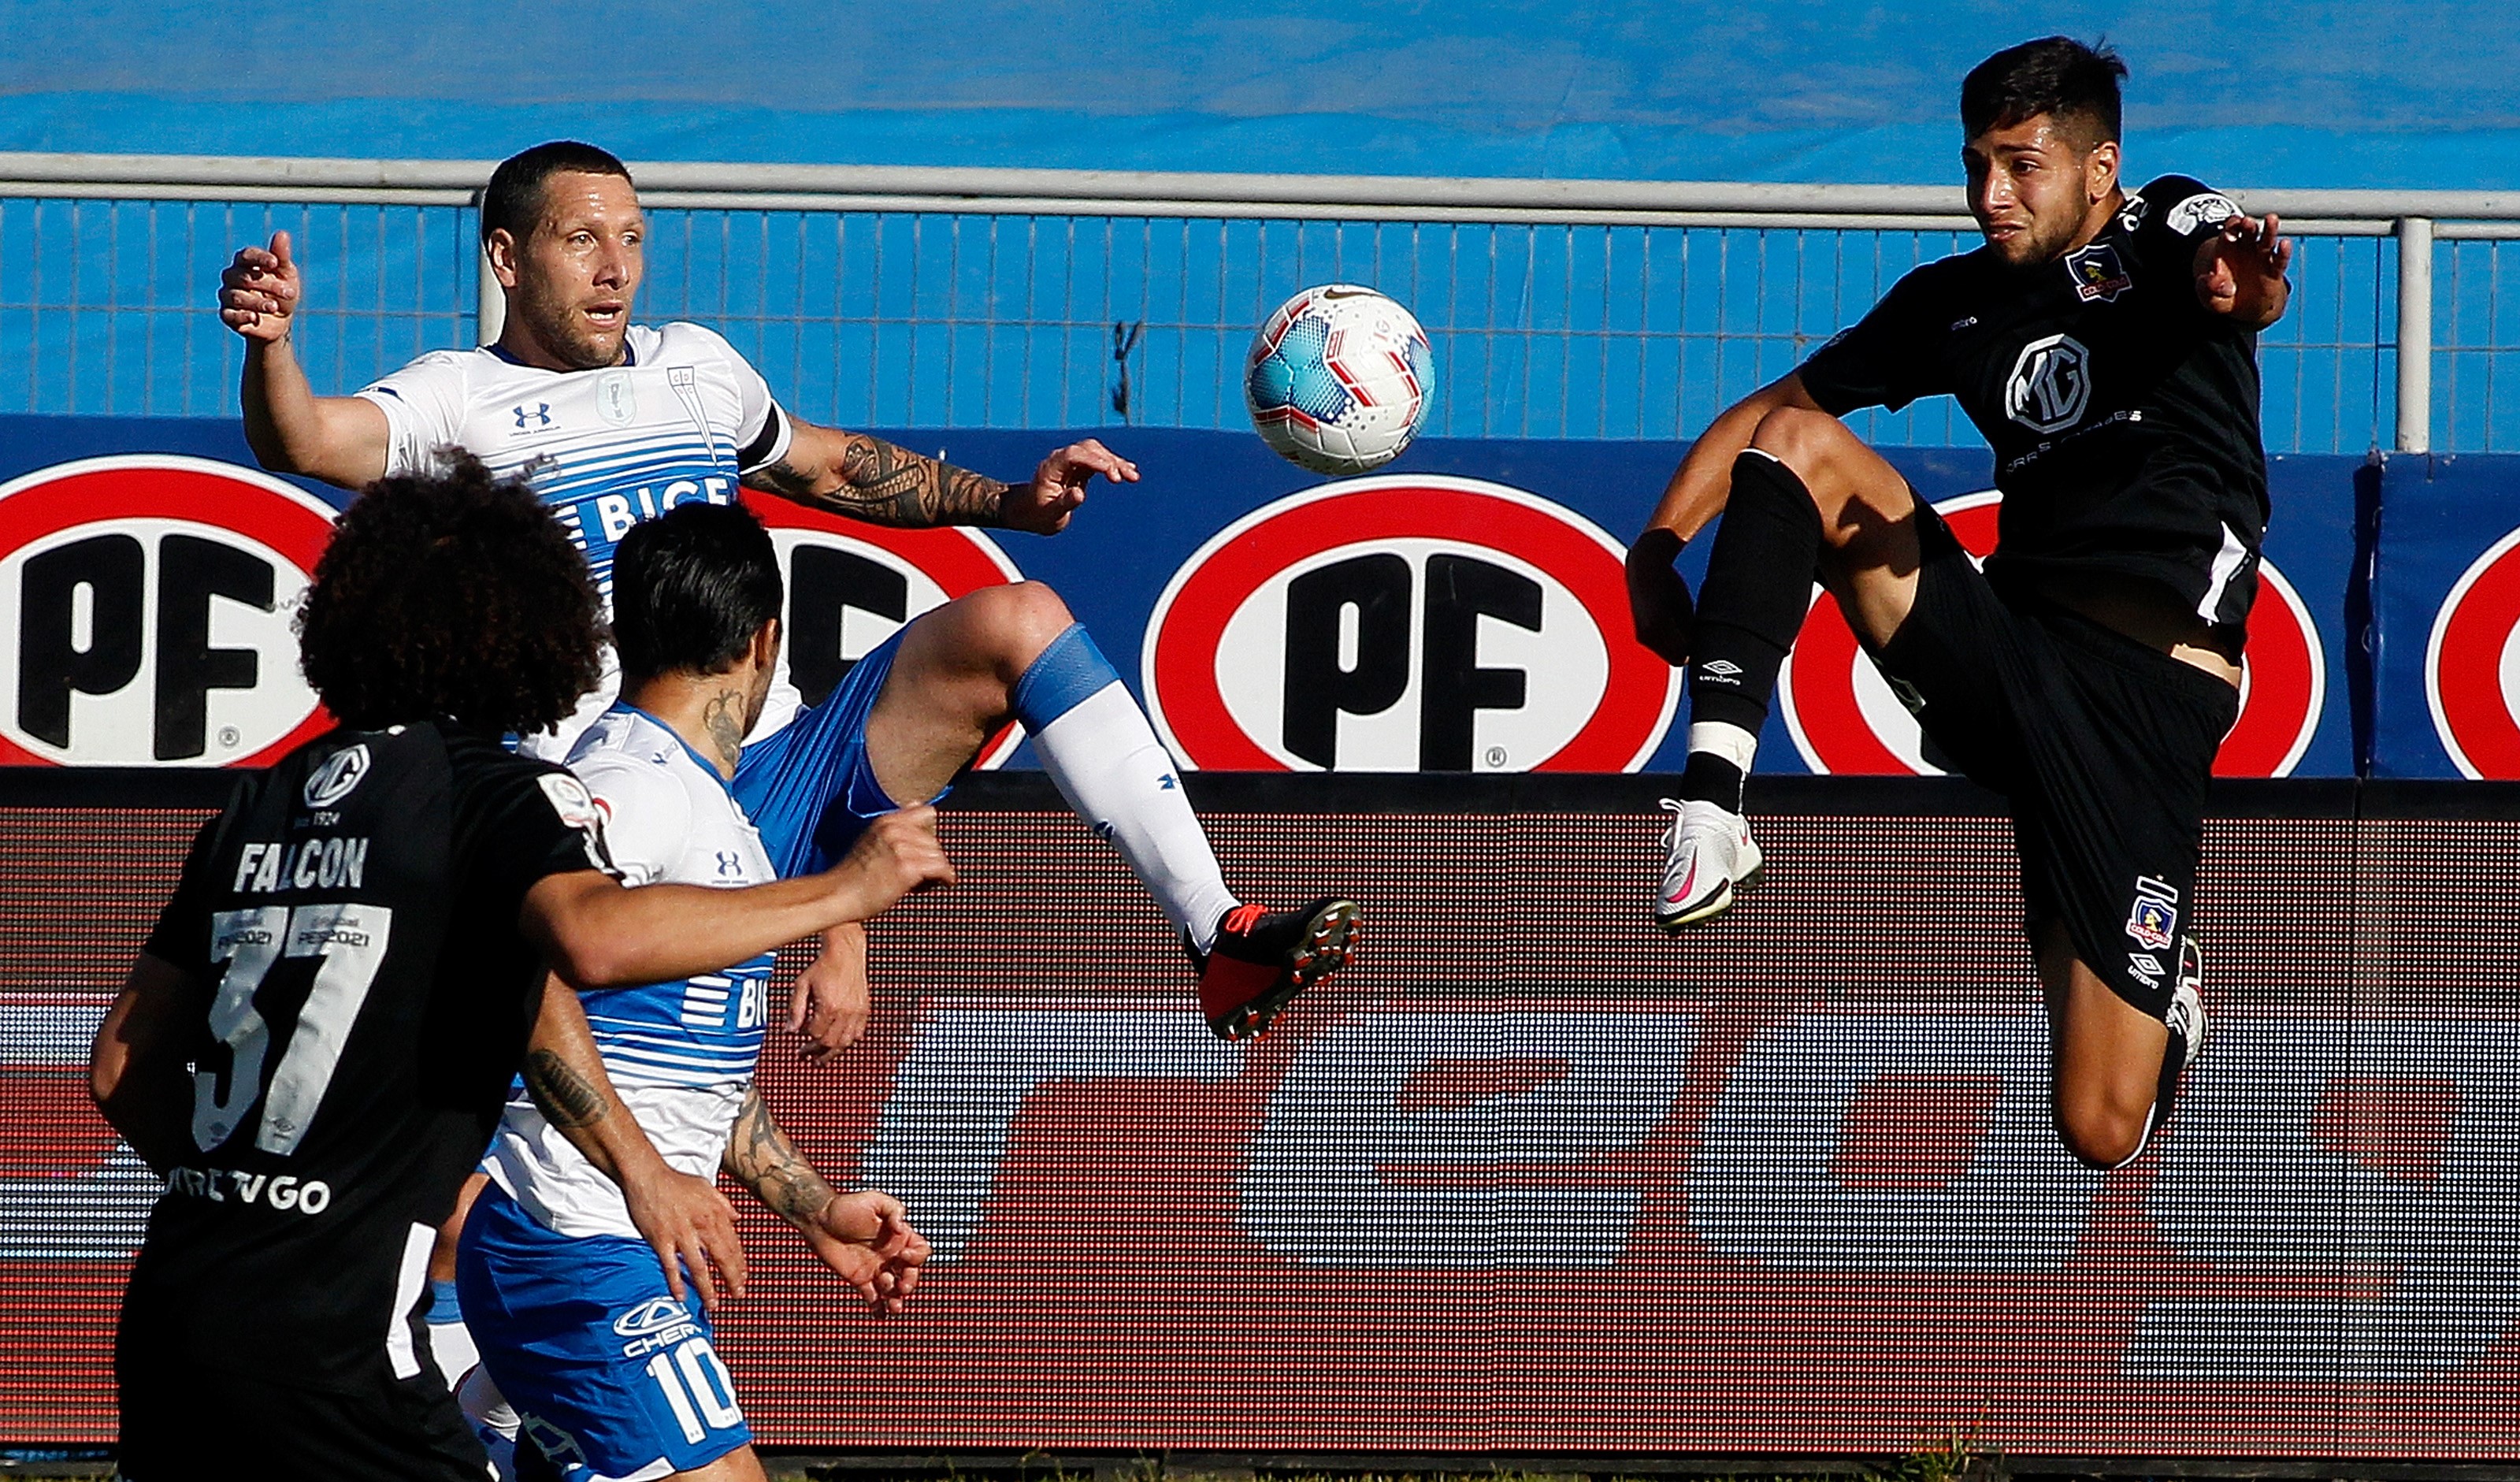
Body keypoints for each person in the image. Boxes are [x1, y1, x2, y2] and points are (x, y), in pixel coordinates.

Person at [215, 139, 1359, 1053]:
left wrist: (1009, 501)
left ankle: (1217, 933)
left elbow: (829, 465)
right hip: (610, 811)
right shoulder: (457, 399)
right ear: (507, 260)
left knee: (1021, 621)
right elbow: (307, 436)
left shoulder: (697, 366)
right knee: (585, 1150)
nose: (615, 266)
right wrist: (273, 347)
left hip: (775, 766)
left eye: (631, 238)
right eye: (580, 241)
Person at [88, 455, 950, 1480]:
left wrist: (253, 1199)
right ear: (534, 630)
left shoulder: (259, 805)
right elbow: (587, 944)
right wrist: (845, 893)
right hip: (345, 1339)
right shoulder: (499, 798)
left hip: (180, 1303)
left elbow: (121, 1067)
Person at [1625, 37, 2291, 1168]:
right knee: (1798, 444)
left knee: (2098, 1125)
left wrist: (2247, 281)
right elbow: (1767, 412)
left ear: (2098, 167)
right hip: (2007, 651)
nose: (1990, 195)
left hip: (2144, 707)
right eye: (1975, 164)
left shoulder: (2167, 222)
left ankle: (2165, 992)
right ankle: (1710, 808)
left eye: (2021, 165)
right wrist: (1653, 547)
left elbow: (2246, 273)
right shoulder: (1953, 303)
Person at [457, 501, 933, 1482]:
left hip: (613, 1253)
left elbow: (678, 1074)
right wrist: (641, 1176)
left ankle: (488, 1430)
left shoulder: (706, 806)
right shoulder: (631, 782)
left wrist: (813, 1209)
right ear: (766, 642)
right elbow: (519, 965)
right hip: (577, 1250)